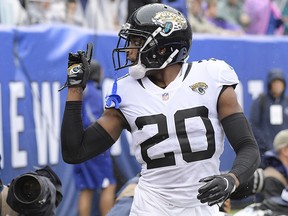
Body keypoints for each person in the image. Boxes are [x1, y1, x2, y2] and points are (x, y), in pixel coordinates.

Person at [60, 3, 260, 215]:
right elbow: (75, 151)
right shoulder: (126, 90)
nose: (128, 51)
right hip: (150, 207)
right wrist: (75, 90)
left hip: (201, 207)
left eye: (136, 42)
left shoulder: (212, 76)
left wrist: (231, 179)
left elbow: (248, 147)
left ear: (162, 48)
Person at [72, 60, 116, 216]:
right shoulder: (93, 93)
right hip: (94, 148)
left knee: (86, 188)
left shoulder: (80, 93)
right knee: (108, 184)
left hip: (79, 146)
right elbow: (92, 121)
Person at [250, 68, 288, 167]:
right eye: (275, 82)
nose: (277, 86)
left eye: (280, 82)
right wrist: (267, 146)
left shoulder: (287, 102)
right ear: (270, 84)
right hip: (265, 156)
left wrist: (283, 148)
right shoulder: (261, 101)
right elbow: (253, 126)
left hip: (284, 155)